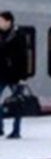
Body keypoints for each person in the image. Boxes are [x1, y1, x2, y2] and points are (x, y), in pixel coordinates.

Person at [0, 11, 27, 139]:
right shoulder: (1, 35)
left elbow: (23, 57)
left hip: (15, 75)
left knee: (16, 103)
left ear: (8, 21)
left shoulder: (18, 35)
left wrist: (22, 76)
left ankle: (16, 130)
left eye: (1, 21)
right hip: (2, 73)